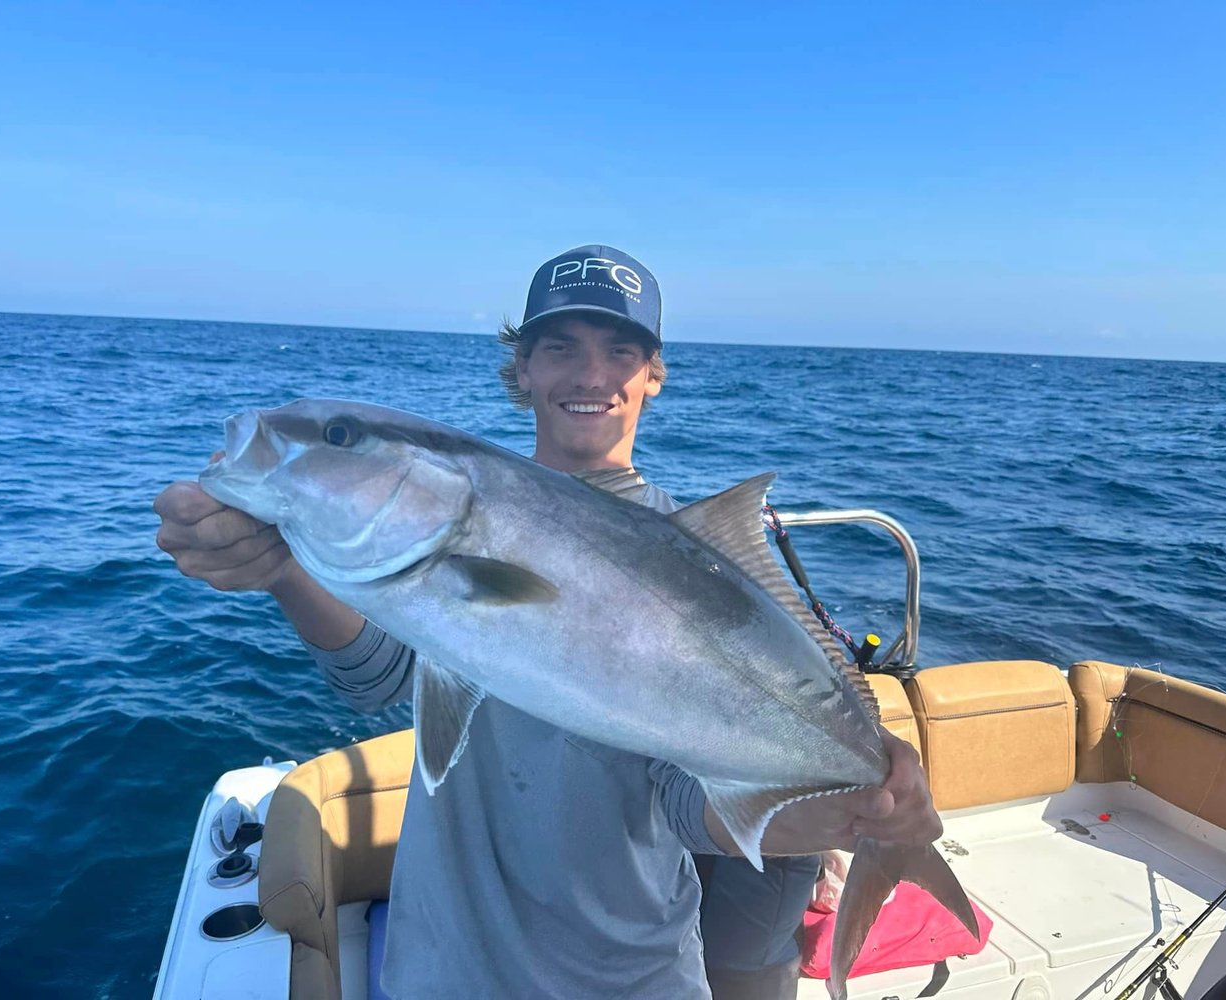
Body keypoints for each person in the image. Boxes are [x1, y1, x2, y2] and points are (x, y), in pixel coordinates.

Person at [154, 245, 941, 999]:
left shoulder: (702, 555)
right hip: (441, 965)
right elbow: (378, 678)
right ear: (522, 368)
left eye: (620, 352)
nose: (590, 374)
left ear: (653, 375)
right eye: (559, 347)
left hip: (632, 976)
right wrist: (283, 568)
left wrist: (862, 811)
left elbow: (683, 801)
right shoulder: (444, 543)